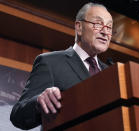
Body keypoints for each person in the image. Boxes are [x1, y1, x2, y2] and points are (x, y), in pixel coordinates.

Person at [10, 2, 113, 130]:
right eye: (98, 24)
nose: (105, 32)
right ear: (79, 27)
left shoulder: (111, 72)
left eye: (109, 27)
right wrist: (38, 102)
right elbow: (17, 115)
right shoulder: (50, 62)